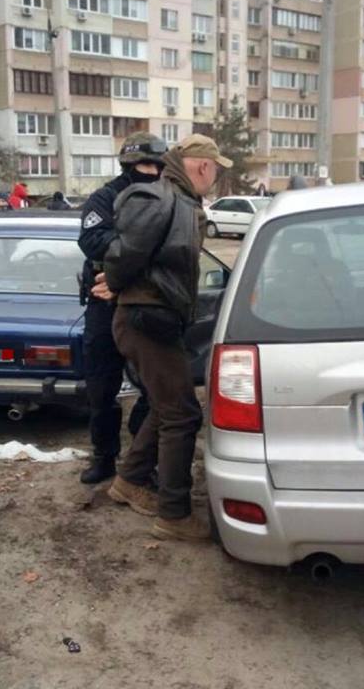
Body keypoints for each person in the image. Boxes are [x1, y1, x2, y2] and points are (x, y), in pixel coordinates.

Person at [98, 134, 232, 542]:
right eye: (216, 169)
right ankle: (174, 514)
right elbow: (123, 253)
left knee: (167, 406)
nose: (215, 176)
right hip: (146, 318)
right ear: (204, 166)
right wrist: (117, 283)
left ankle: (129, 480)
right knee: (183, 414)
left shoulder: (180, 201)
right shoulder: (161, 198)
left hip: (153, 317)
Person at [77, 132, 168, 484]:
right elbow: (92, 240)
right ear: (128, 166)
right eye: (144, 165)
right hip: (104, 305)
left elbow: (174, 249)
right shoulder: (105, 198)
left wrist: (130, 256)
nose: (152, 172)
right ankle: (104, 457)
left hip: (145, 302)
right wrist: (141, 245)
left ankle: (141, 457)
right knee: (101, 388)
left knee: (154, 388)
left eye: (157, 166)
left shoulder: (166, 199)